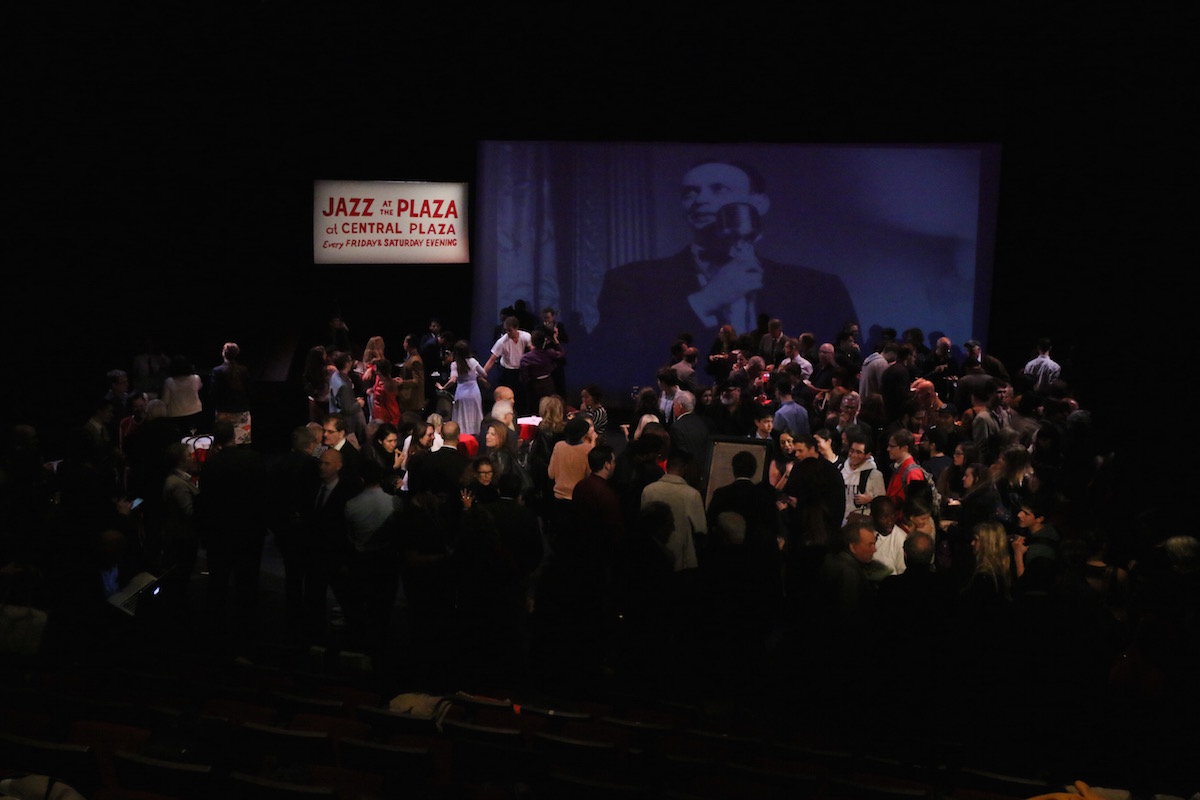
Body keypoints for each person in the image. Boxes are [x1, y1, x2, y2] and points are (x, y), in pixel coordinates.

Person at [592, 159, 858, 389]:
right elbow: (614, 357)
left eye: (718, 188)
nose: (700, 199)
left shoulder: (820, 288)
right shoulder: (629, 281)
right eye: (689, 192)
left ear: (759, 202)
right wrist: (705, 301)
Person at [438, 340, 489, 439]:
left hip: (461, 392)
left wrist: (443, 387)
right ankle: (476, 438)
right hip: (474, 392)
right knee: (475, 414)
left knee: (461, 414)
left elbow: (452, 380)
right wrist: (475, 375)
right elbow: (484, 374)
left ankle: (461, 437)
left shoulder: (455, 364)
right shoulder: (473, 362)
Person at [482, 315, 532, 413]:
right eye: (506, 331)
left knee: (521, 397)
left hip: (520, 370)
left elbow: (533, 351)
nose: (507, 333)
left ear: (516, 328)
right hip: (507, 371)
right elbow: (492, 360)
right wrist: (482, 374)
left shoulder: (526, 336)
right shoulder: (501, 342)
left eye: (510, 330)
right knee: (506, 397)